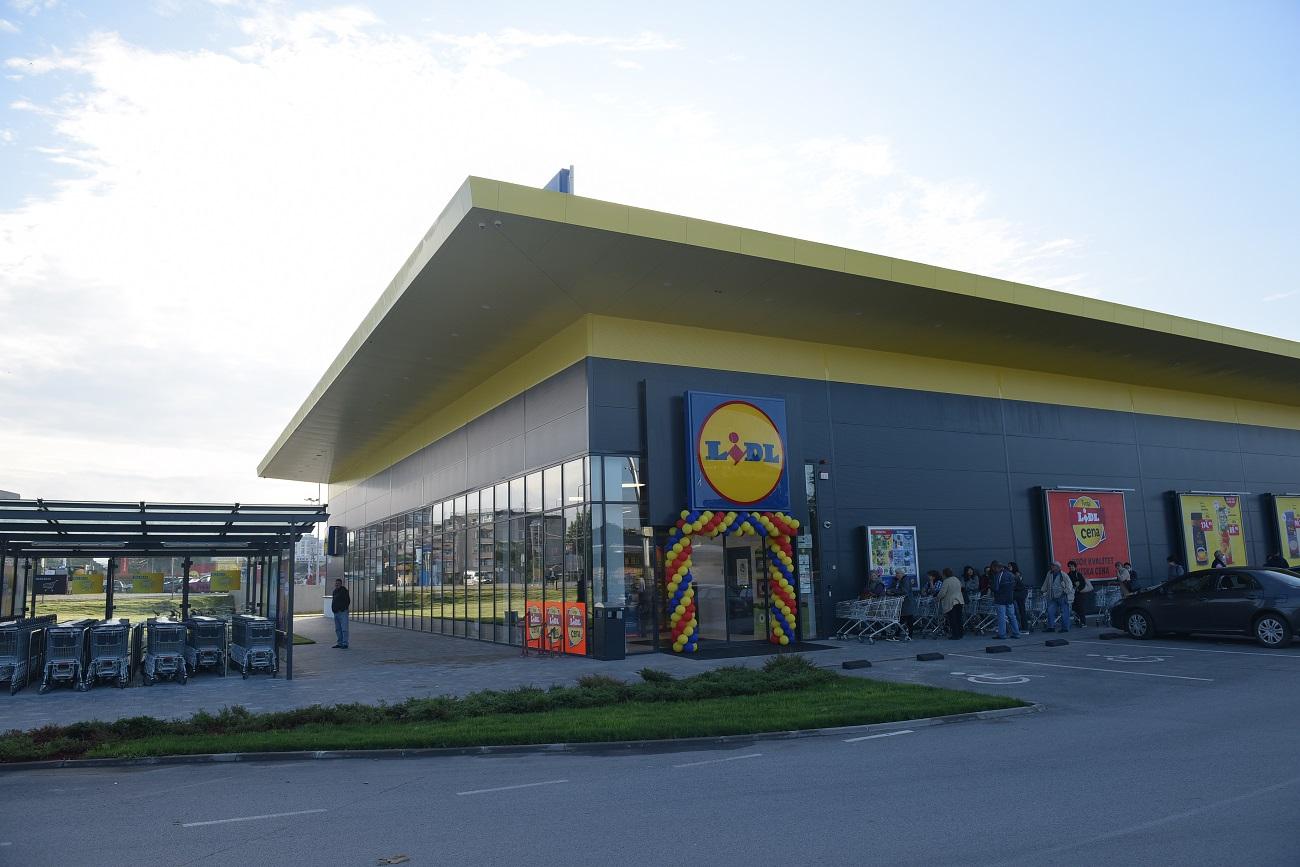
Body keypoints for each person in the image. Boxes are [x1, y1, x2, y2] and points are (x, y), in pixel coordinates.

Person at [990, 560, 1021, 639]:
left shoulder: (998, 575)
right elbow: (1015, 584)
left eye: (993, 568)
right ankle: (1016, 633)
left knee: (1001, 617)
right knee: (1012, 616)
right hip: (1010, 598)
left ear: (996, 567)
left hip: (1000, 599)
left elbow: (996, 588)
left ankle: (1002, 634)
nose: (993, 570)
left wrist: (991, 586)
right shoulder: (1010, 574)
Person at [1041, 561, 1071, 633]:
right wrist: (1042, 590)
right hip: (1052, 596)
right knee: (1050, 611)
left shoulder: (1063, 575)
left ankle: (1065, 628)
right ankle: (1051, 627)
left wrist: (1065, 592)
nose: (1051, 567)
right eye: (1051, 565)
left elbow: (1069, 585)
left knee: (1064, 612)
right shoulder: (1049, 573)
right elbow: (1046, 582)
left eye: (1053, 566)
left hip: (1062, 597)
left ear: (1058, 567)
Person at [938, 567, 965, 639]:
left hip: (951, 603)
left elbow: (942, 593)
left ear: (944, 574)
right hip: (959, 601)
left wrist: (937, 598)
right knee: (959, 619)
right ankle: (960, 633)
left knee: (952, 620)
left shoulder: (946, 581)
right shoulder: (956, 579)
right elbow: (961, 587)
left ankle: (955, 635)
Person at [892, 569, 917, 637]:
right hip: (903, 602)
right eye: (896, 573)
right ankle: (900, 634)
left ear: (902, 574)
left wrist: (893, 591)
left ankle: (905, 634)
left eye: (897, 573)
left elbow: (904, 591)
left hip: (907, 602)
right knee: (904, 618)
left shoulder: (905, 580)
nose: (896, 575)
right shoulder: (899, 580)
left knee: (907, 618)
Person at [1068, 560, 1091, 627]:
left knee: (1080, 608)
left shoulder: (1078, 574)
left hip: (1080, 593)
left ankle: (1083, 623)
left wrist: (1078, 588)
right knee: (1074, 608)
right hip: (1072, 594)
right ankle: (1078, 620)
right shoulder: (1068, 575)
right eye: (1070, 566)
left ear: (1075, 566)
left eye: (1072, 566)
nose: (1071, 567)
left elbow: (1083, 583)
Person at [1009, 561, 1030, 633]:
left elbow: (1016, 584)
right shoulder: (1011, 574)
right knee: (1018, 610)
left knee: (1021, 610)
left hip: (1020, 593)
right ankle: (1021, 626)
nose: (1009, 567)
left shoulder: (1016, 574)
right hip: (1017, 593)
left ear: (1013, 567)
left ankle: (1024, 626)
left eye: (1010, 566)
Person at [331, 578, 350, 649]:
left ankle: (345, 644)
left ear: (341, 584)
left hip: (343, 612)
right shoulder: (334, 591)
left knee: (344, 629)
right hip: (336, 613)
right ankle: (339, 643)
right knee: (338, 629)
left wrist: (343, 608)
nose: (337, 584)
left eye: (338, 583)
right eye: (336, 583)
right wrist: (333, 609)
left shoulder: (344, 591)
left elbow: (348, 601)